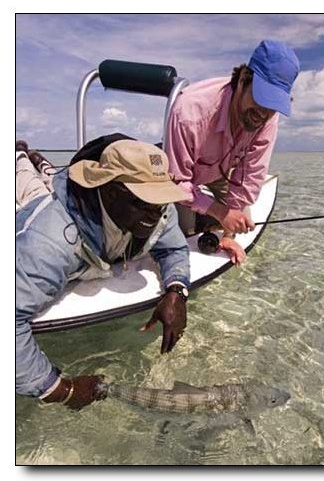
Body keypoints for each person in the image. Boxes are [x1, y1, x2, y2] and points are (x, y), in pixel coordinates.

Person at [16, 134, 192, 410]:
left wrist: (177, 290)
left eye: (159, 203)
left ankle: (43, 164)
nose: (155, 214)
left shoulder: (159, 211)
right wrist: (61, 389)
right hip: (37, 212)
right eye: (143, 202)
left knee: (44, 180)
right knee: (26, 188)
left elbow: (173, 249)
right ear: (110, 191)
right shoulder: (48, 241)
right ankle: (21, 155)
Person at [165, 40, 300, 265]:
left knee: (240, 214)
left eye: (272, 105)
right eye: (260, 98)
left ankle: (210, 220)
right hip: (182, 174)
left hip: (222, 170)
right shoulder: (189, 112)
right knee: (182, 238)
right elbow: (177, 181)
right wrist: (218, 211)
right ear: (243, 79)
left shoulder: (268, 118)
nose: (262, 114)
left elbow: (251, 175)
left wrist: (228, 233)